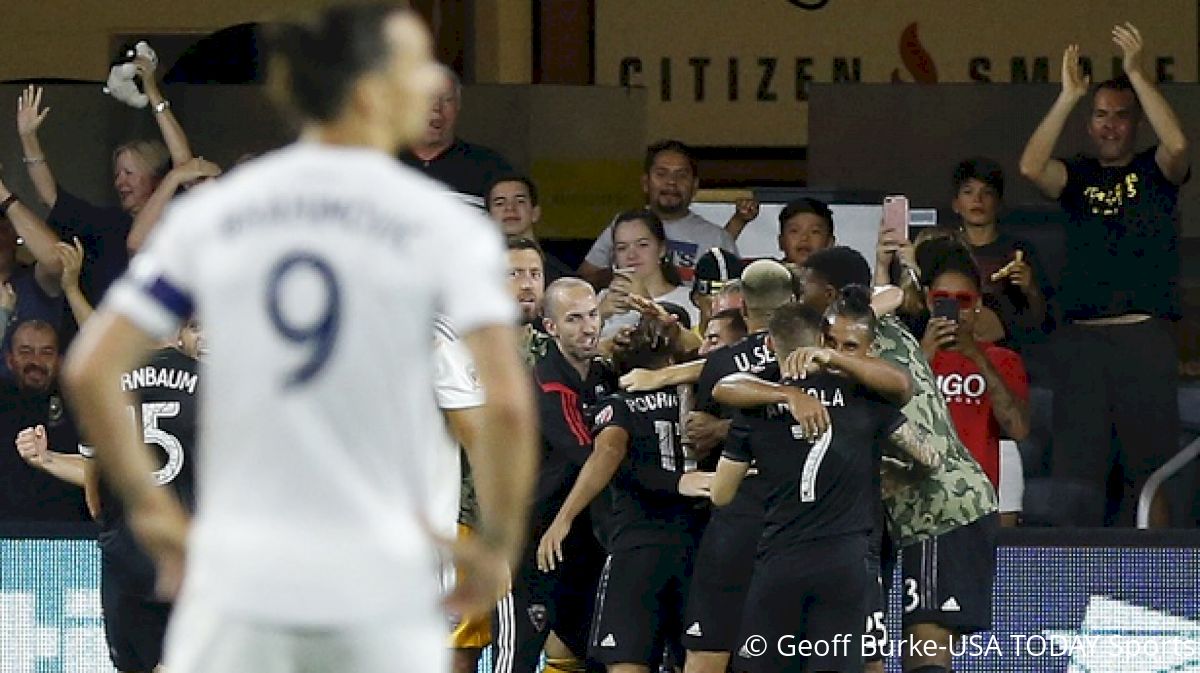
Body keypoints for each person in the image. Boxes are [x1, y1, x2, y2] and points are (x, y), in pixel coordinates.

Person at [61, 7, 537, 673]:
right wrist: (497, 538)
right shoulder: (442, 225)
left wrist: (151, 511)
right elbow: (503, 412)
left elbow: (90, 367)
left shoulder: (228, 215)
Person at [1018, 24, 1187, 527]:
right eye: (1100, 116)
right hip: (1082, 346)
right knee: (1078, 473)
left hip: (1143, 339)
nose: (1110, 126)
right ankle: (1078, 579)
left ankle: (1158, 577)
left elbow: (1177, 145)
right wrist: (1069, 96)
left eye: (1121, 116)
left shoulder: (1155, 172)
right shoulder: (1077, 175)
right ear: (1089, 124)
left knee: (1151, 470)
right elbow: (1030, 167)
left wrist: (1137, 75)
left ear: (1135, 123)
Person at [800, 247, 997, 673]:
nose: (800, 301)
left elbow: (887, 298)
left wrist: (835, 355)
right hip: (912, 518)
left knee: (927, 644)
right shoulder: (881, 331)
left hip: (942, 507)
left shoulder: (865, 344)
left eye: (805, 289)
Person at [710, 302, 909, 673]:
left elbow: (721, 494)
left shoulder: (753, 404)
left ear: (769, 344)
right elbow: (904, 391)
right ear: (822, 339)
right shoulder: (860, 393)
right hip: (846, 562)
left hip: (779, 562)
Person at [537, 316, 714, 672]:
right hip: (699, 546)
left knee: (625, 661)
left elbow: (608, 451)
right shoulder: (706, 398)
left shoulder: (618, 404)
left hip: (638, 550)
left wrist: (564, 518)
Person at [496, 278, 612, 673]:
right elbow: (590, 454)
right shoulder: (546, 385)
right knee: (518, 657)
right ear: (551, 328)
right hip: (531, 545)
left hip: (582, 544)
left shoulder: (602, 377)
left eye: (593, 315)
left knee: (595, 653)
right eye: (574, 319)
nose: (589, 327)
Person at [17, 65, 195, 306]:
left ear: (156, 177)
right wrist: (28, 138)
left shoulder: (178, 218)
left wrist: (152, 91)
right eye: (117, 174)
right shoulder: (104, 225)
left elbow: (184, 164)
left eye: (129, 173)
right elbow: (50, 196)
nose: (120, 181)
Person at [920, 243, 1030, 527]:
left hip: (977, 498)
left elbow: (1017, 428)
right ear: (928, 301)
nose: (953, 308)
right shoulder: (906, 354)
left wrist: (976, 356)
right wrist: (924, 355)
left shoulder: (1003, 360)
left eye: (963, 300)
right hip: (919, 496)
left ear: (978, 305)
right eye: (942, 298)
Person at [578, 141, 737, 287]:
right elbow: (584, 279)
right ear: (645, 183)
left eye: (681, 175)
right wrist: (619, 273)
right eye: (661, 174)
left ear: (695, 186)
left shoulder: (717, 238)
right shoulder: (623, 225)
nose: (671, 182)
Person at [946, 157, 1051, 351]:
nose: (977, 200)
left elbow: (1045, 323)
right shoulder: (944, 249)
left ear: (999, 203)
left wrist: (1031, 289)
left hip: (1009, 350)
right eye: (968, 192)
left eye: (987, 193)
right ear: (956, 204)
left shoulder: (1020, 250)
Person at [0, 320, 88, 521]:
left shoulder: (82, 403)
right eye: (25, 351)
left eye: (46, 352)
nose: (36, 361)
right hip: (5, 531)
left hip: (74, 534)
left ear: (59, 360)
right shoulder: (3, 397)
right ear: (9, 360)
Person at [399, 64, 515, 205]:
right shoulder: (382, 164)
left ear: (458, 105)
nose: (436, 109)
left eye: (447, 99)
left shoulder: (490, 166)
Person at [599, 210, 700, 338]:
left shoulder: (689, 300)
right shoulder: (601, 299)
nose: (631, 255)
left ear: (662, 249)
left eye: (642, 245)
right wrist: (598, 316)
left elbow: (693, 348)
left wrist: (647, 304)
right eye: (622, 248)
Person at [487, 175, 574, 283]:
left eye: (520, 201)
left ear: (535, 213)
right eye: (499, 203)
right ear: (488, 217)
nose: (510, 208)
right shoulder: (473, 273)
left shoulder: (562, 279)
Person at [690, 247, 743, 332]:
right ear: (696, 298)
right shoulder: (683, 342)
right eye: (714, 293)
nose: (723, 303)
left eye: (732, 292)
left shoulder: (757, 342)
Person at [777, 197, 835, 265]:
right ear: (781, 242)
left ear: (830, 242)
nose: (804, 238)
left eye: (814, 231)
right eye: (794, 231)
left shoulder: (842, 275)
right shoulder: (767, 274)